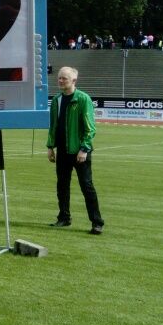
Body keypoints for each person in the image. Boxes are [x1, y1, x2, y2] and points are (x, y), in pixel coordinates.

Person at [47, 66, 104, 235]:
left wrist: (84, 148)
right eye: (59, 77)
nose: (60, 80)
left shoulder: (83, 99)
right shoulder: (56, 100)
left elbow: (90, 127)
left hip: (79, 151)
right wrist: (50, 147)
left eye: (64, 78)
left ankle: (97, 222)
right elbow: (53, 126)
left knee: (86, 186)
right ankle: (64, 217)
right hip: (62, 151)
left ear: (74, 80)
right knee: (62, 186)